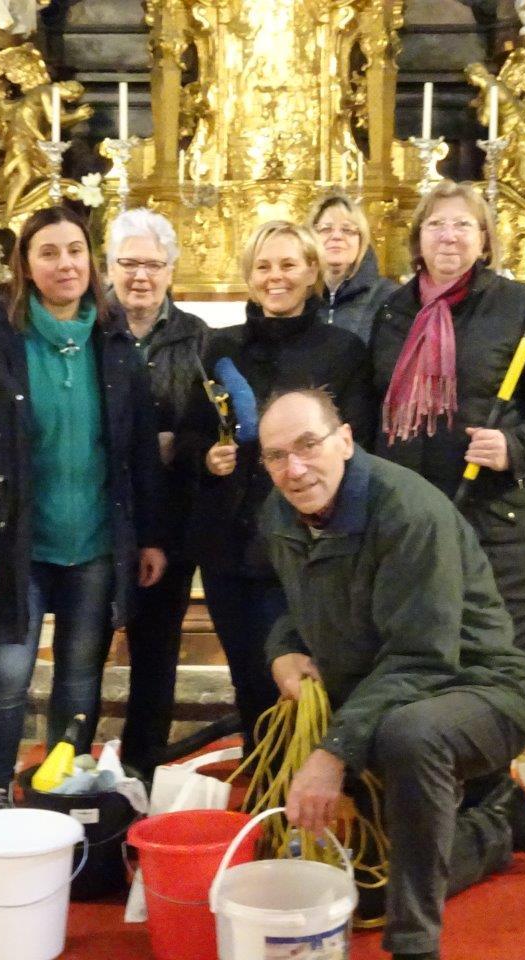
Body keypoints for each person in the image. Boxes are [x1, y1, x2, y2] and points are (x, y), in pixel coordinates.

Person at [258, 388, 525, 960]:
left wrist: (332, 754)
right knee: (370, 887)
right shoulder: (281, 514)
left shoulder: (408, 511)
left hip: (481, 686)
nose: (294, 469)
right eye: (276, 456)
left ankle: (414, 944)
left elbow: (422, 656)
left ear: (345, 440)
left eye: (308, 446)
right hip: (391, 689)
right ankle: (496, 827)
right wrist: (283, 649)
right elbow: (299, 604)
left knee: (410, 736)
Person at [0, 204, 166, 808]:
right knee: (8, 674)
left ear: (91, 261)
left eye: (75, 251)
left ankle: (63, 788)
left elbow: (140, 448)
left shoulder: (115, 339)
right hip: (18, 541)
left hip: (94, 540)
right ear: (26, 265)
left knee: (80, 674)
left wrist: (149, 536)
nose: (65, 264)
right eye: (48, 253)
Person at [371, 180, 525, 656]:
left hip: (494, 518)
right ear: (417, 238)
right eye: (436, 224)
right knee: (420, 651)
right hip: (412, 516)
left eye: (463, 225)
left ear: (485, 240)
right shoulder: (392, 312)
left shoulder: (521, 308)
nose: (448, 235)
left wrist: (514, 446)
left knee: (496, 655)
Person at [186, 220, 374, 748]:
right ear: (249, 276)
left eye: (289, 264)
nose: (276, 277)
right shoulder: (219, 346)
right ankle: (262, 773)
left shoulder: (343, 350)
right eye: (263, 266)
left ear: (312, 271)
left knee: (301, 678)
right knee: (247, 676)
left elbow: (357, 446)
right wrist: (208, 456)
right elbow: (191, 429)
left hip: (305, 542)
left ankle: (307, 776)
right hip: (229, 543)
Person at [104, 208, 211, 778]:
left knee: (156, 646)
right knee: (85, 642)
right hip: (97, 510)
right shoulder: (90, 329)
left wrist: (179, 442)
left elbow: (211, 421)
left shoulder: (197, 337)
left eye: (153, 264)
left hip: (169, 514)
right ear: (109, 267)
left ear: (171, 270)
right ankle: (72, 765)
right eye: (128, 263)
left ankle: (143, 765)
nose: (140, 276)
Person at [307, 190, 398, 344]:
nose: (337, 236)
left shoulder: (389, 296)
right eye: (326, 229)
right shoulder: (301, 296)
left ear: (361, 241)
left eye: (347, 230)